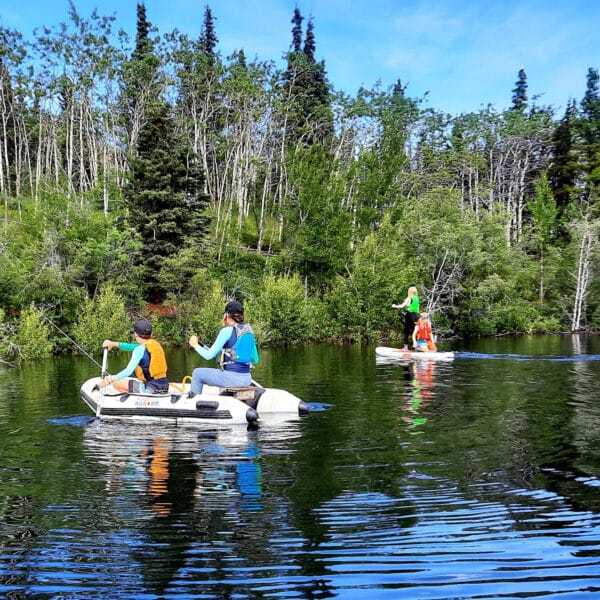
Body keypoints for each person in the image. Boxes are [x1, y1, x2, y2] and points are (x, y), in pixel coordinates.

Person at [188, 300, 259, 397]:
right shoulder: (249, 332)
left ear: (227, 315)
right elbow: (255, 359)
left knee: (197, 373)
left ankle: (194, 403)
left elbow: (208, 356)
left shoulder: (226, 331)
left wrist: (195, 345)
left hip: (231, 379)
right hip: (247, 379)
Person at [98, 318, 169, 393]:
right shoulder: (154, 344)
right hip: (164, 386)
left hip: (151, 388)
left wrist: (110, 380)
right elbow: (131, 346)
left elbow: (128, 371)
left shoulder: (139, 350)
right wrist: (113, 344)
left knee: (116, 384)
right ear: (151, 334)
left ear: (136, 335)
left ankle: (135, 400)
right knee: (126, 381)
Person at [392, 286, 420, 350]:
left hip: (409, 315)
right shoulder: (417, 298)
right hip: (416, 316)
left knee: (406, 331)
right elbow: (418, 309)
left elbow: (402, 306)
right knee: (415, 331)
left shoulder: (409, 298)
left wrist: (394, 306)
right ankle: (417, 347)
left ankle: (405, 347)